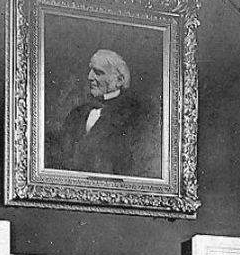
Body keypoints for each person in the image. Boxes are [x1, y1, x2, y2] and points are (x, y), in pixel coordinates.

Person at [49, 48, 160, 177]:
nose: (89, 77)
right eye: (90, 70)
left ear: (119, 80)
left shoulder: (136, 115)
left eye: (98, 72)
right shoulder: (77, 113)